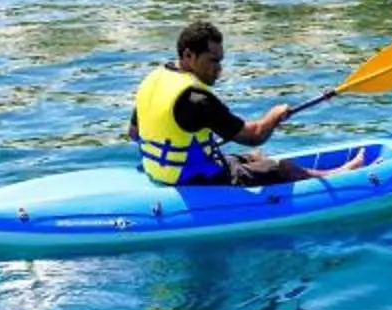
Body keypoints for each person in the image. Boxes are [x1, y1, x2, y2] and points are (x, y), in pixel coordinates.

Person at [129, 19, 326, 188]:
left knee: (254, 157)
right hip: (194, 180)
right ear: (189, 55)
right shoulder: (197, 99)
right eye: (213, 61)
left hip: (159, 172)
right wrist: (273, 117)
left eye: (220, 61)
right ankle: (338, 175)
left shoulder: (152, 80)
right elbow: (254, 135)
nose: (219, 69)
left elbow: (134, 133)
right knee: (282, 168)